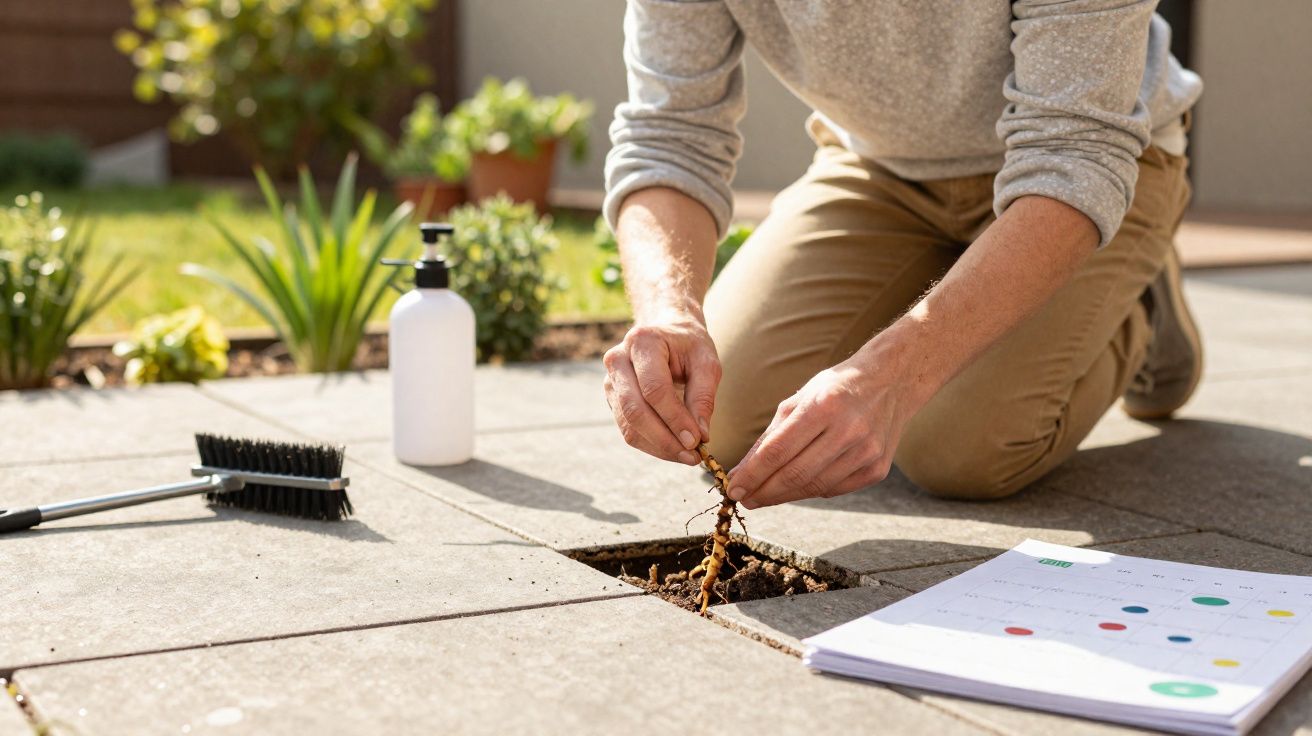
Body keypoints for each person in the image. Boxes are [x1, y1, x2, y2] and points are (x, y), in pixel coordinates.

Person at [600, 1, 1203, 511]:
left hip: (1083, 171)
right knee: (723, 414)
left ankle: (1134, 298)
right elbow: (669, 136)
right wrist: (668, 313)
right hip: (879, 167)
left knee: (959, 452)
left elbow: (1078, 159)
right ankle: (973, 284)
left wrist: (893, 373)